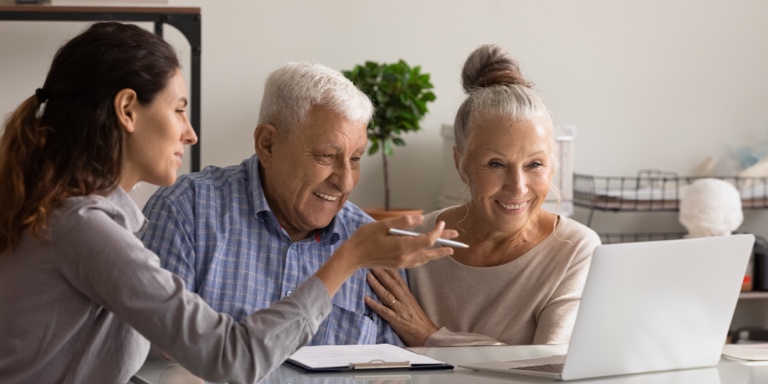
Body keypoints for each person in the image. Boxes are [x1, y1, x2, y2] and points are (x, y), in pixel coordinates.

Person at [0, 22, 455, 384]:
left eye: (355, 159)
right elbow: (227, 357)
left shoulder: (81, 218)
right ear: (127, 110)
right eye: (178, 108)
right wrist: (349, 258)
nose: (190, 132)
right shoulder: (86, 227)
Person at [140, 62, 407, 346]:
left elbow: (391, 372)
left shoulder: (373, 245)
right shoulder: (186, 211)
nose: (346, 183)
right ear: (267, 144)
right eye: (327, 156)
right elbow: (155, 354)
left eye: (355, 159)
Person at [365, 44, 602, 347]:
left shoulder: (575, 249)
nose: (517, 186)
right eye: (496, 164)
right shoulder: (415, 241)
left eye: (535, 164)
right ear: (460, 163)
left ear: (553, 164)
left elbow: (547, 367)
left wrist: (430, 337)